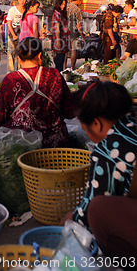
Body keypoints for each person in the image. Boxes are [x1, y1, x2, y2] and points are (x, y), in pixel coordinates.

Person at [61, 81, 137, 232]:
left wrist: (71, 219)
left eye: (86, 129)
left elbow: (88, 212)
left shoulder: (108, 150)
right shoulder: (133, 122)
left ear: (96, 124)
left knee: (97, 209)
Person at [0, 37, 73, 147]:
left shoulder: (10, 79)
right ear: (40, 56)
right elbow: (69, 112)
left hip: (21, 146)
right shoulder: (55, 75)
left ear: (19, 58)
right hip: (56, 145)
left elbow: (0, 117)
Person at [6, 0, 27, 72]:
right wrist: (14, 35)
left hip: (23, 35)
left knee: (21, 55)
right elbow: (9, 23)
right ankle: (10, 74)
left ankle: (20, 73)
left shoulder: (26, 10)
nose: (22, 1)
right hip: (13, 34)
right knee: (11, 55)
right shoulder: (13, 10)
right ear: (18, 0)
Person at [51, 0, 69, 72]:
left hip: (64, 40)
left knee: (61, 60)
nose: (63, 6)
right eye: (62, 4)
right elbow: (57, 27)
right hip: (59, 40)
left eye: (64, 4)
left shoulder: (61, 14)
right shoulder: (57, 14)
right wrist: (58, 41)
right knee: (59, 61)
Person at [67, 0, 85, 70]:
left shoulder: (66, 6)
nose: (81, 3)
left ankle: (64, 67)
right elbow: (78, 25)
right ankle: (72, 67)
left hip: (65, 31)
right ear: (78, 0)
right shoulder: (77, 9)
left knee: (65, 51)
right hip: (74, 33)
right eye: (81, 1)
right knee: (74, 50)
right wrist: (82, 35)